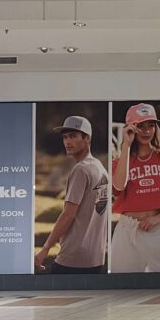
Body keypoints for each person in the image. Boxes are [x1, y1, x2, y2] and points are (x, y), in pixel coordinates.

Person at [111, 103, 160, 272]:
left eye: (151, 125)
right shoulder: (121, 160)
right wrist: (126, 146)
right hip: (127, 229)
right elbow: (119, 186)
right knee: (123, 285)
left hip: (158, 227)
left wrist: (159, 218)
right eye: (140, 126)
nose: (146, 131)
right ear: (130, 128)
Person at [34, 115, 109, 274]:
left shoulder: (81, 170)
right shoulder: (99, 168)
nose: (68, 142)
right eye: (65, 137)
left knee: (53, 298)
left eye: (73, 136)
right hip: (95, 258)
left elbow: (68, 215)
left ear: (87, 138)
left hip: (73, 258)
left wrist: (45, 249)